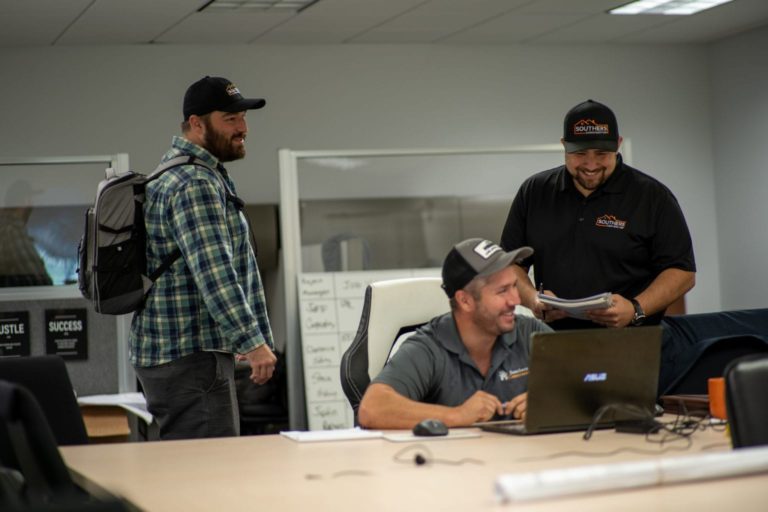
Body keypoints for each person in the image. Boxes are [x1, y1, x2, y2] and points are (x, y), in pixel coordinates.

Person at [129, 76, 276, 440]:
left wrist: (250, 337)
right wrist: (252, 342)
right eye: (230, 119)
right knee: (210, 475)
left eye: (243, 117)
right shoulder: (195, 183)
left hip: (181, 355)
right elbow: (215, 273)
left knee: (189, 471)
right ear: (196, 124)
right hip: (191, 357)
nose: (242, 128)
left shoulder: (182, 173)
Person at [501, 99, 696, 330]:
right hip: (556, 338)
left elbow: (682, 272)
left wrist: (636, 309)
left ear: (618, 144)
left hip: (632, 340)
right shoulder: (534, 192)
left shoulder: (652, 196)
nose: (591, 164)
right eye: (580, 153)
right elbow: (511, 264)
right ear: (564, 145)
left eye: (602, 153)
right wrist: (533, 298)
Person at [357, 238, 552, 430]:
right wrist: (457, 415)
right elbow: (372, 409)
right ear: (465, 301)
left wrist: (548, 401)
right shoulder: (429, 348)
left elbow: (583, 376)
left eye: (514, 287)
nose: (516, 300)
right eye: (502, 291)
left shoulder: (530, 333)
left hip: (522, 458)